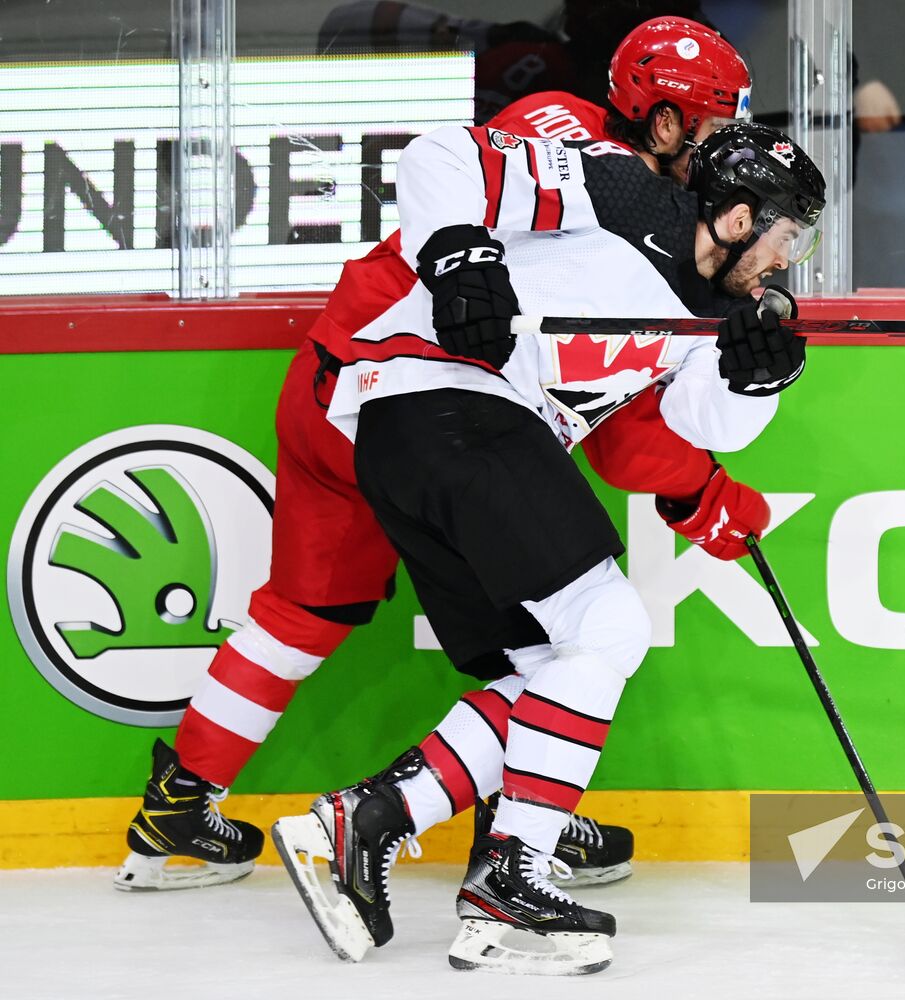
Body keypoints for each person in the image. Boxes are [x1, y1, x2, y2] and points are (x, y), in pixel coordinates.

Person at [115, 16, 763, 894]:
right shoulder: (619, 201)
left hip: (333, 380)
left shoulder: (560, 128)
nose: (728, 145)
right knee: (555, 643)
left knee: (303, 611)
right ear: (667, 119)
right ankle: (515, 828)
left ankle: (178, 809)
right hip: (434, 398)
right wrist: (700, 490)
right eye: (718, 123)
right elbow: (609, 420)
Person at [271, 119, 825, 975]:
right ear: (743, 216)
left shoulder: (716, 309)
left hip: (422, 440)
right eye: (789, 235)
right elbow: (440, 157)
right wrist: (460, 255)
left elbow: (701, 422)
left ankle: (370, 820)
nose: (789, 259)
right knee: (610, 627)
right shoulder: (617, 189)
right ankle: (509, 875)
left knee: (543, 675)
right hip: (444, 399)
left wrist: (759, 377)